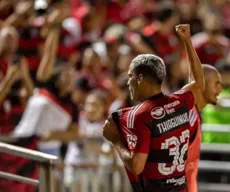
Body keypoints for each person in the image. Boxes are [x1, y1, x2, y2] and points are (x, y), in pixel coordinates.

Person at [103, 24, 205, 192]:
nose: (128, 82)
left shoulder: (141, 115)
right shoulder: (180, 101)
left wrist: (116, 141)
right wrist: (187, 41)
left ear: (140, 79)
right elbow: (199, 82)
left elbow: (136, 166)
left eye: (130, 77)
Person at [185, 64, 222, 192]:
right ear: (201, 85)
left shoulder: (194, 115)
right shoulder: (187, 118)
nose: (220, 90)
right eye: (216, 84)